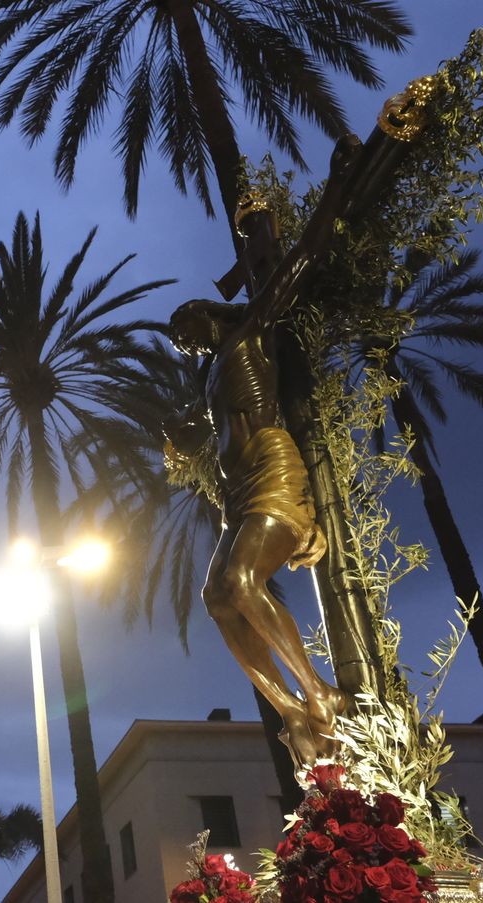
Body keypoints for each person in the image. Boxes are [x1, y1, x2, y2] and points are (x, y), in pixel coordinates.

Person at [168, 296, 344, 768]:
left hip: (270, 466)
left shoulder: (251, 331)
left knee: (243, 581)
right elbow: (214, 426)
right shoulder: (211, 377)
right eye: (178, 340)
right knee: (217, 597)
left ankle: (319, 692)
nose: (184, 340)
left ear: (210, 313)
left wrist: (257, 219)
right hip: (236, 487)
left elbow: (296, 260)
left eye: (185, 326)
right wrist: (179, 434)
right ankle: (288, 707)